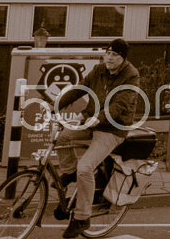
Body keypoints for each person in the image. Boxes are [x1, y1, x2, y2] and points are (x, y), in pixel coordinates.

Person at [54, 39, 143, 238]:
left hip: (112, 129)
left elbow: (120, 105)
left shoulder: (131, 76)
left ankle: (82, 218)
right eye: (108, 53)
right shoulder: (99, 70)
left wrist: (99, 117)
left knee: (85, 167)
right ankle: (68, 173)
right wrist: (56, 105)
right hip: (91, 121)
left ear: (123, 58)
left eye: (115, 55)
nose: (110, 58)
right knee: (62, 139)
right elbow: (80, 88)